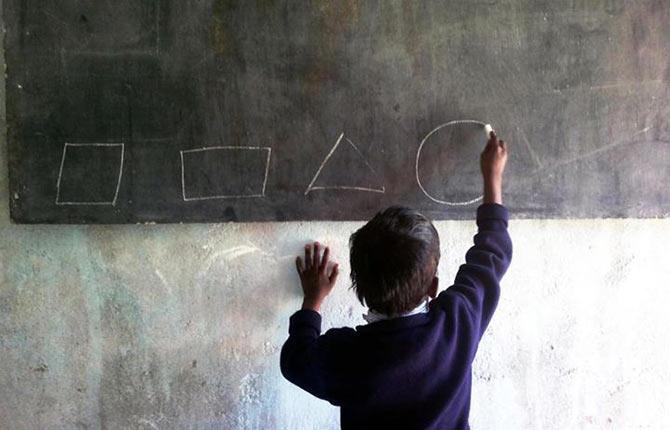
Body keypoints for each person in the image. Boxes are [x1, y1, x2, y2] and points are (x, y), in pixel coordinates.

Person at [280, 131, 512, 429]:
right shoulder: (457, 323)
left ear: (357, 285)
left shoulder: (349, 357)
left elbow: (296, 360)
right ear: (432, 287)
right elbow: (492, 253)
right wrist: (492, 177)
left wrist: (312, 300)